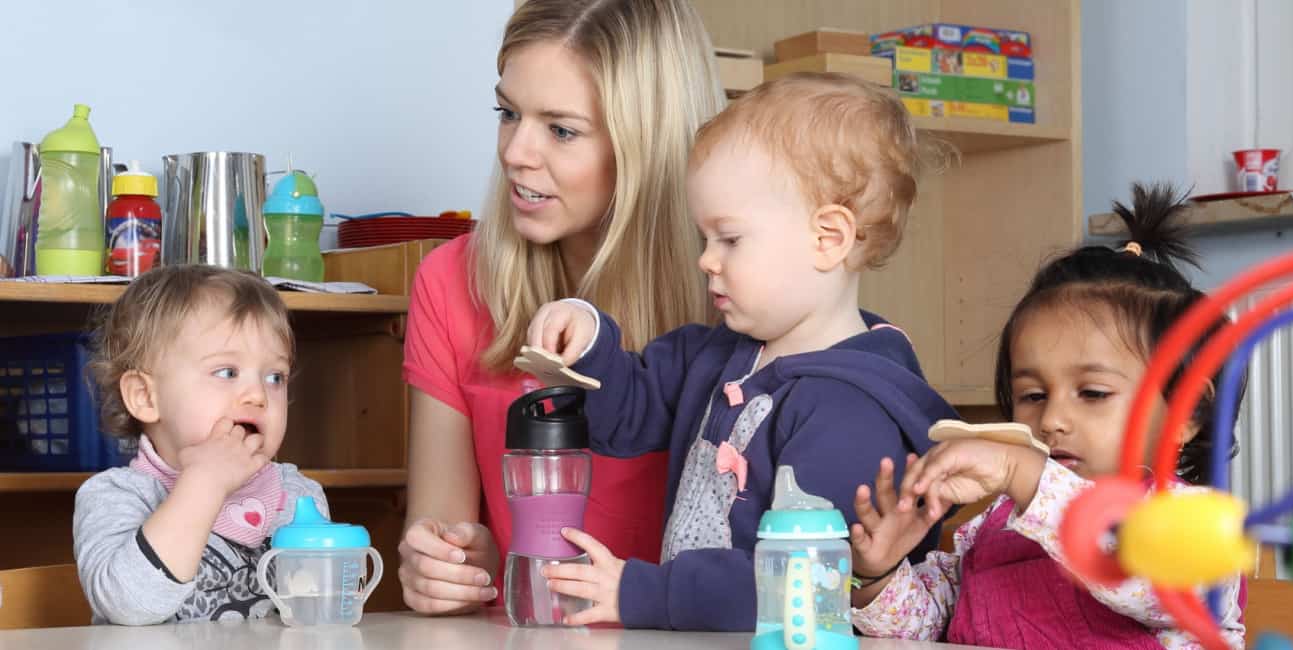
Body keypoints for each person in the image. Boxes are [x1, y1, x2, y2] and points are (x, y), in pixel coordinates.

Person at [526, 72, 958, 630]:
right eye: (704, 238)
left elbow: (801, 582)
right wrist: (587, 341)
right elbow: (623, 419)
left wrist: (645, 593)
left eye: (729, 239)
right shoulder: (710, 354)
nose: (707, 259)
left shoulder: (851, 409)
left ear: (827, 239)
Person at [397, 0, 725, 615]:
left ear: (645, 146)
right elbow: (444, 536)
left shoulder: (736, 295)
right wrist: (450, 568)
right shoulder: (450, 281)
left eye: (561, 129)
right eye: (508, 113)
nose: (516, 152)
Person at [849, 183, 1248, 648]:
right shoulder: (995, 524)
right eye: (1033, 394)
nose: (1053, 418)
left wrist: (1026, 474)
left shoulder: (1195, 523)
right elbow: (930, 631)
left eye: (1093, 393)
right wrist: (877, 576)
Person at [74, 265, 328, 624]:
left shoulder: (298, 495)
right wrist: (204, 483)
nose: (257, 395)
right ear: (145, 396)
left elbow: (318, 616)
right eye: (227, 372)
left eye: (274, 377)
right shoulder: (116, 496)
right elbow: (127, 606)